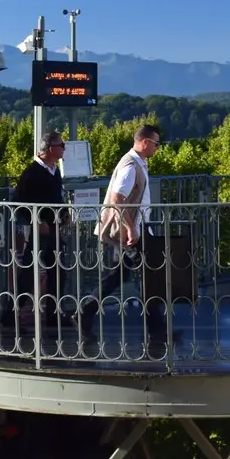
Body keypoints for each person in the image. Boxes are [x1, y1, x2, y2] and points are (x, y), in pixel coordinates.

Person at [80, 124, 168, 341]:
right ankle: (158, 331)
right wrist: (131, 228)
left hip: (132, 229)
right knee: (147, 275)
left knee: (124, 275)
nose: (158, 148)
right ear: (145, 142)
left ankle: (85, 312)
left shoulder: (137, 163)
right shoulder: (131, 166)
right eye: (156, 144)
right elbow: (118, 199)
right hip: (128, 232)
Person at [14, 131, 70, 331]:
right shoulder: (32, 172)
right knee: (29, 273)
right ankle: (11, 313)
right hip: (40, 230)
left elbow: (57, 197)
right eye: (61, 145)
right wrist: (36, 222)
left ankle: (54, 314)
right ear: (50, 149)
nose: (63, 148)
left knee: (59, 273)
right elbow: (19, 202)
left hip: (54, 228)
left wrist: (64, 213)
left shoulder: (54, 171)